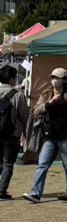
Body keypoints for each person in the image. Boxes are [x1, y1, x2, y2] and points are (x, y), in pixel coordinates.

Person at [23, 68, 67, 203]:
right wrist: (48, 104)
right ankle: (35, 193)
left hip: (66, 136)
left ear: (64, 80)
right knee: (42, 164)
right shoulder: (46, 94)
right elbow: (36, 110)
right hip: (50, 136)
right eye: (52, 77)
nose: (54, 80)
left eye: (57, 77)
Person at [0, 64, 29, 200]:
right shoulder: (18, 95)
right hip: (12, 134)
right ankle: (2, 190)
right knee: (8, 163)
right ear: (12, 78)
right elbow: (24, 117)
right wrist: (25, 134)